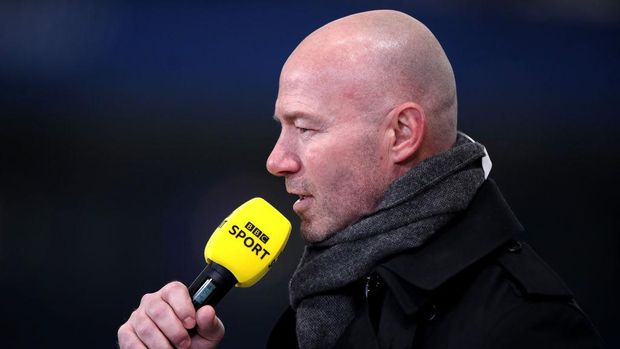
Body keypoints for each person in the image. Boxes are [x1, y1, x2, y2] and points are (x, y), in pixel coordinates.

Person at [117, 10, 603, 349]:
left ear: (401, 133)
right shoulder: (332, 295)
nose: (277, 160)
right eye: (281, 128)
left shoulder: (522, 326)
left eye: (305, 128)